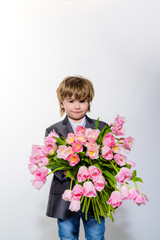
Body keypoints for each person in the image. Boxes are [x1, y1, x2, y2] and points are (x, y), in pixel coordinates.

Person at [45, 76, 107, 240]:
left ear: (89, 102)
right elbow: (52, 162)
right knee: (67, 236)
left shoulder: (101, 127)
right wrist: (70, 172)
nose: (77, 106)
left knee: (96, 235)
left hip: (94, 195)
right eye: (71, 101)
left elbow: (109, 159)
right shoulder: (54, 130)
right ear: (61, 103)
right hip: (65, 195)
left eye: (83, 101)